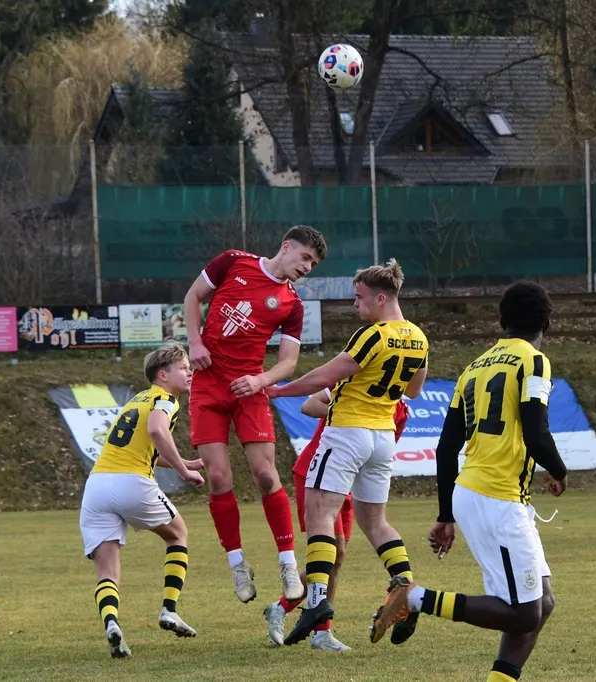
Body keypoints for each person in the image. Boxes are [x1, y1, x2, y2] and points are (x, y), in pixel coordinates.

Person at [370, 281, 568, 682]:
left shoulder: (475, 367)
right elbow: (536, 431)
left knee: (542, 603)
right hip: (498, 497)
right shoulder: (534, 361)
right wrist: (559, 470)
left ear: (502, 320)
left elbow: (446, 448)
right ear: (545, 322)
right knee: (525, 613)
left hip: (476, 492)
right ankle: (414, 598)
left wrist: (446, 514)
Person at [264, 258, 429, 646]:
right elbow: (414, 390)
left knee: (320, 513)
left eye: (359, 297)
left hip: (347, 433)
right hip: (382, 437)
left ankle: (316, 603)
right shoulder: (419, 338)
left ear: (381, 298)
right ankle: (405, 588)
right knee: (377, 523)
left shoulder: (372, 334)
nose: (356, 305)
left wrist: (278, 389)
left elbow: (325, 375)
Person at [184, 225, 327, 604]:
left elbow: (289, 362)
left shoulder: (292, 304)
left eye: (313, 264)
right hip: (208, 384)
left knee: (265, 475)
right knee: (218, 477)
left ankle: (287, 563)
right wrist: (195, 342)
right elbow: (193, 296)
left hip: (249, 388)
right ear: (286, 246)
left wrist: (259, 380)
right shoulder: (233, 262)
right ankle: (237, 563)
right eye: (305, 258)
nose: (307, 267)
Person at [78, 342, 206, 659]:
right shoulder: (165, 399)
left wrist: (183, 462)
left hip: (97, 486)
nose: (189, 373)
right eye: (183, 368)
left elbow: (144, 447)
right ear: (163, 375)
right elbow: (158, 431)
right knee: (178, 535)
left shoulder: (138, 399)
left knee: (107, 571)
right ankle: (169, 609)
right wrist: (183, 472)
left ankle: (111, 623)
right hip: (132, 483)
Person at [263, 389, 410, 652]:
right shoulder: (356, 385)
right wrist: (348, 417)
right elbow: (309, 405)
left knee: (338, 557)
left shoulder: (399, 408)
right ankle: (317, 627)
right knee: (334, 552)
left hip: (348, 480)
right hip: (319, 471)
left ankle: (287, 611)